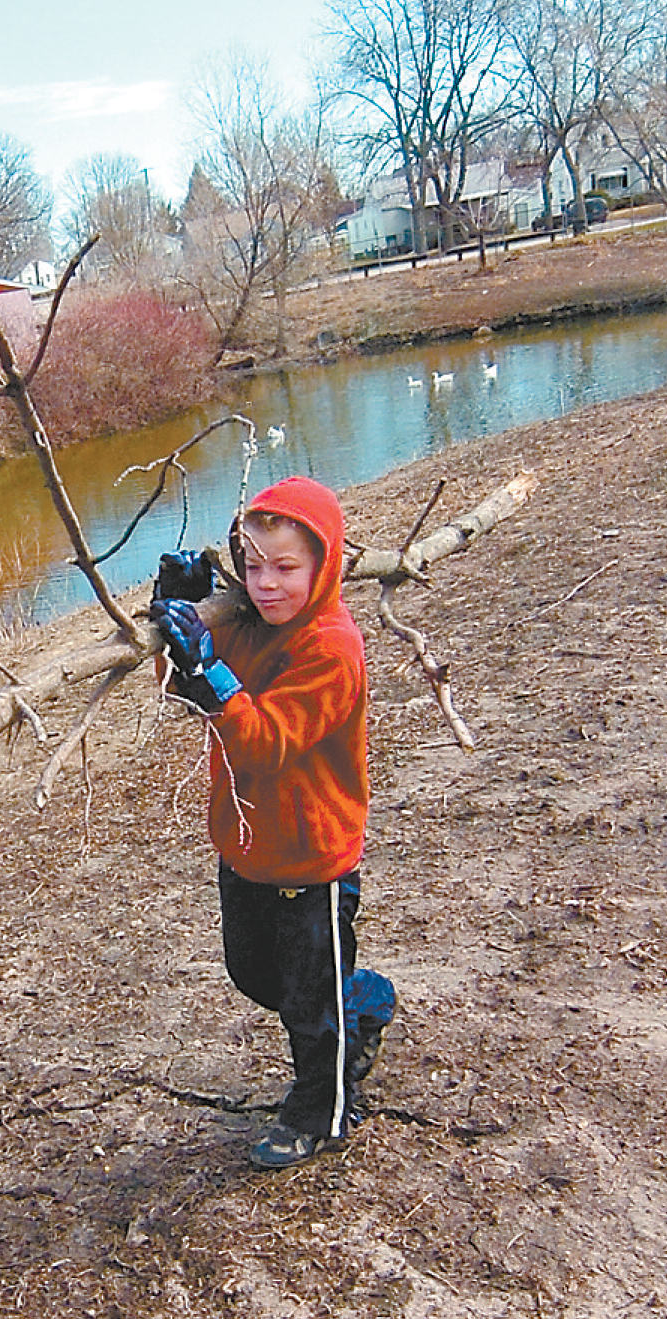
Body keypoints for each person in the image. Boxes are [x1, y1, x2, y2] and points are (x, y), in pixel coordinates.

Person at [149, 475, 397, 1169]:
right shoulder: (243, 619)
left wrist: (211, 670)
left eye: (286, 568)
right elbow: (179, 689)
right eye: (253, 566)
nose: (266, 584)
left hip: (312, 855)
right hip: (247, 844)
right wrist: (175, 620)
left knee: (308, 1008)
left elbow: (263, 744)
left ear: (324, 565)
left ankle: (322, 1111)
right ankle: (361, 1000)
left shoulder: (330, 647)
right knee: (256, 973)